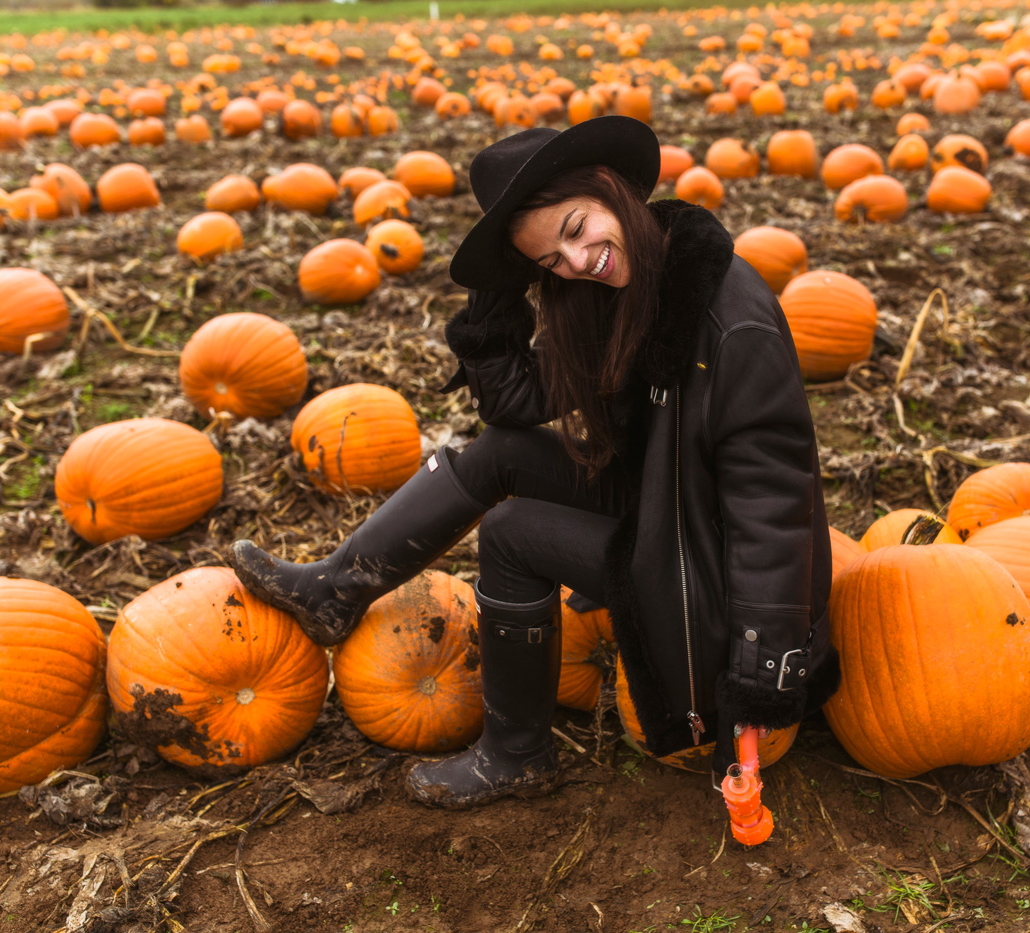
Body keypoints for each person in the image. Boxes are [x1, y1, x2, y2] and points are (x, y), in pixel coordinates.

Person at [229, 115, 839, 809]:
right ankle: (334, 591)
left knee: (513, 532)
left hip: (702, 570)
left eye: (577, 229)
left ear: (612, 190)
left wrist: (762, 671)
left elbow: (773, 500)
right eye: (550, 261)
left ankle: (516, 753)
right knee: (503, 453)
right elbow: (514, 401)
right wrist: (499, 281)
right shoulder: (621, 291)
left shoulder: (732, 326)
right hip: (662, 509)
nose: (577, 262)